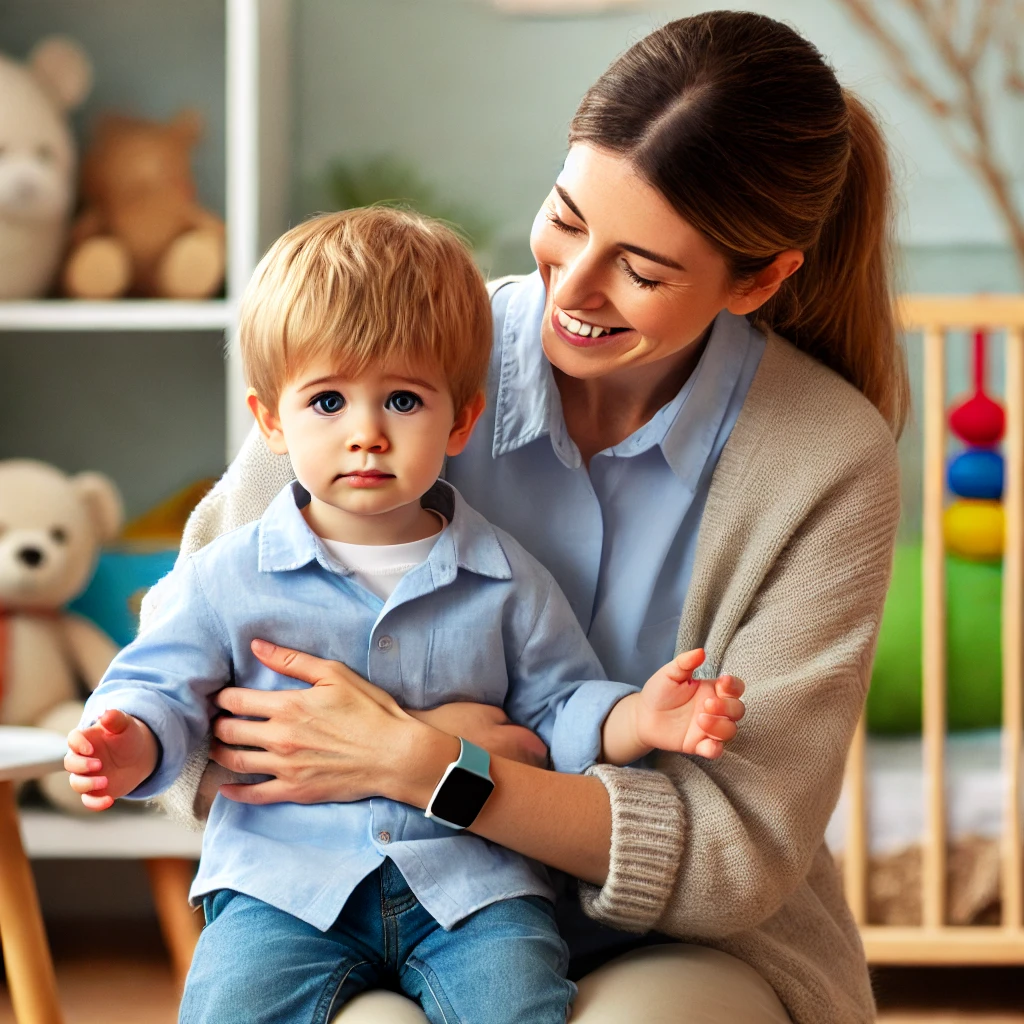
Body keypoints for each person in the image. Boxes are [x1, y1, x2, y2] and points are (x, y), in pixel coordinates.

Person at [82, 10, 909, 1023]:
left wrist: (426, 761)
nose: (575, 286)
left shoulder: (824, 457)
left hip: (685, 941)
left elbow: (732, 855)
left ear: (760, 277)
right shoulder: (392, 352)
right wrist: (155, 738)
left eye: (641, 271)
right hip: (348, 898)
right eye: (565, 218)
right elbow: (197, 674)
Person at [65, 208, 743, 1024]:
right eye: (326, 402)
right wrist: (126, 742)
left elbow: (558, 709)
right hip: (282, 887)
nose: (367, 435)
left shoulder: (507, 578)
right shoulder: (222, 579)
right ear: (271, 419)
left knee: (519, 1002)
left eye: (401, 400)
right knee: (229, 1006)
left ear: (460, 419)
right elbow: (159, 690)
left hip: (474, 889)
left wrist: (641, 717)